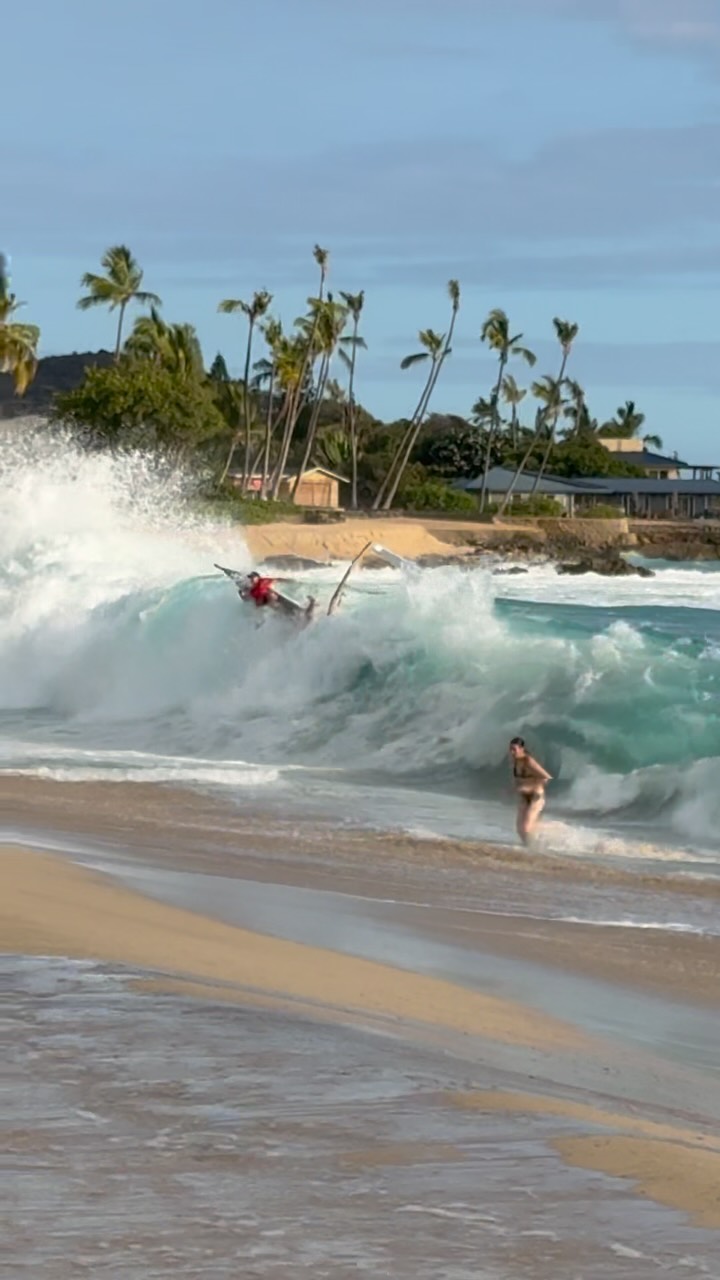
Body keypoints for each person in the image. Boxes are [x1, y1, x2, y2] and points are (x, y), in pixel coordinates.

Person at [509, 736, 552, 846]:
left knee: (526, 828)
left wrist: (529, 786)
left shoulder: (528, 761)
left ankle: (534, 846)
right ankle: (528, 847)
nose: (512, 752)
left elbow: (546, 777)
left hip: (536, 796)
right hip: (524, 796)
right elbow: (519, 779)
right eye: (510, 749)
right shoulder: (515, 762)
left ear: (521, 749)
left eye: (514, 749)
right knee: (519, 829)